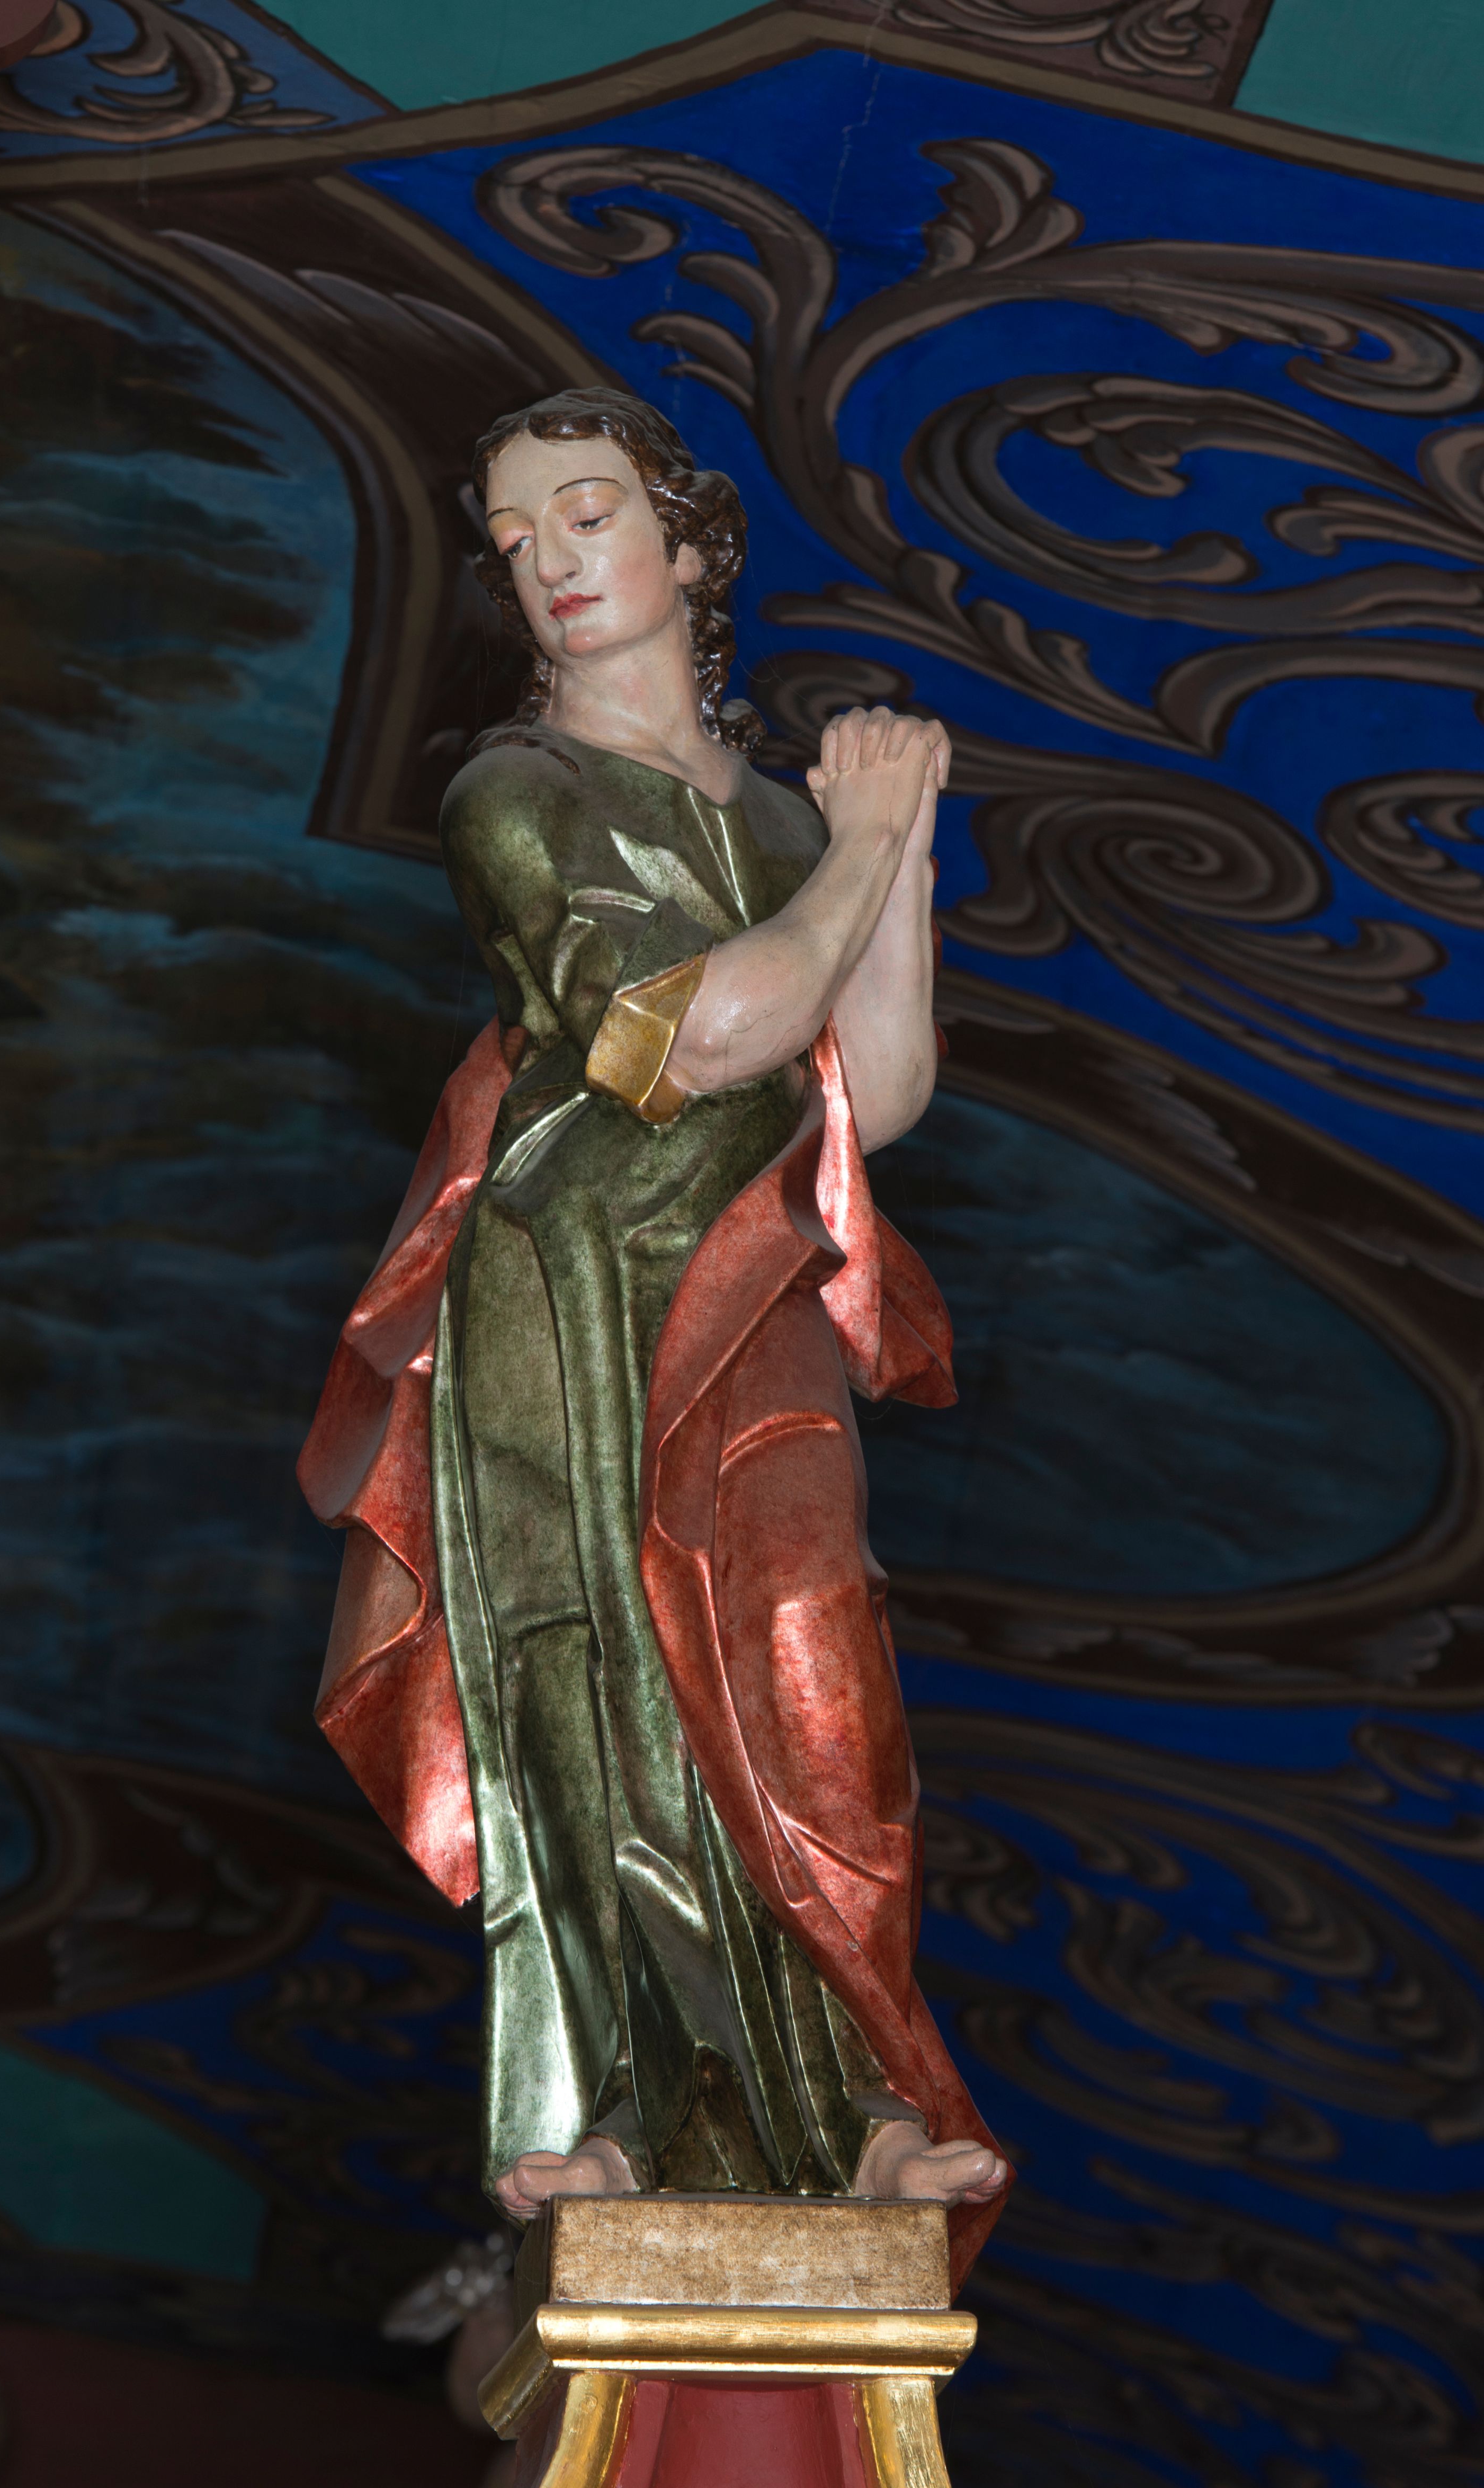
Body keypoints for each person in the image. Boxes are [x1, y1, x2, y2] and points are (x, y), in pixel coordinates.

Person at [298, 390, 1010, 2287]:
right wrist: (861, 852)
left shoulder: (782, 822)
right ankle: (631, 2095)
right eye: (515, 538)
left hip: (749, 1280)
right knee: (601, 1679)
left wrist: (896, 855)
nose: (548, 560)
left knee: (806, 1650)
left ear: (690, 548)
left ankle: (855, 2089)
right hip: (572, 1284)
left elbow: (877, 1088)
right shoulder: (514, 792)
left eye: (589, 513)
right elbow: (691, 1039)